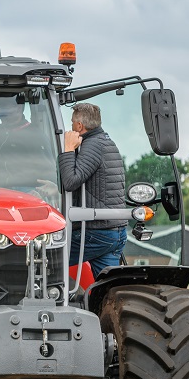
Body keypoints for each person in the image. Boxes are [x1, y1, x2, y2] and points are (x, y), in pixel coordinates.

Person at [59, 102, 126, 275]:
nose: (71, 126)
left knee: (47, 257)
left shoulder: (92, 145)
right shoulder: (106, 142)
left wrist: (67, 149)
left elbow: (70, 182)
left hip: (96, 232)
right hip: (114, 231)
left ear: (79, 126)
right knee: (109, 289)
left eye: (72, 122)